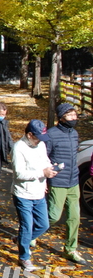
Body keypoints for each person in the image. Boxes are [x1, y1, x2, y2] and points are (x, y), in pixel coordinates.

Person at [11, 119, 56, 271]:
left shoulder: (41, 145)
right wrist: (41, 173)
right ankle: (24, 257)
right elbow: (19, 173)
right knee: (27, 226)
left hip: (39, 192)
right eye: (37, 138)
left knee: (44, 224)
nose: (39, 141)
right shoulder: (19, 147)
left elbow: (45, 161)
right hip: (23, 193)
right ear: (29, 135)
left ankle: (21, 240)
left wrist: (50, 169)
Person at [46, 103, 87, 264]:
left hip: (73, 181)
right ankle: (31, 232)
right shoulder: (51, 134)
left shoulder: (74, 134)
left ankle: (70, 249)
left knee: (74, 217)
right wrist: (47, 177)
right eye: (70, 116)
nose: (74, 118)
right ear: (62, 117)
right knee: (53, 216)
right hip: (58, 181)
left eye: (75, 115)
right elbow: (44, 157)